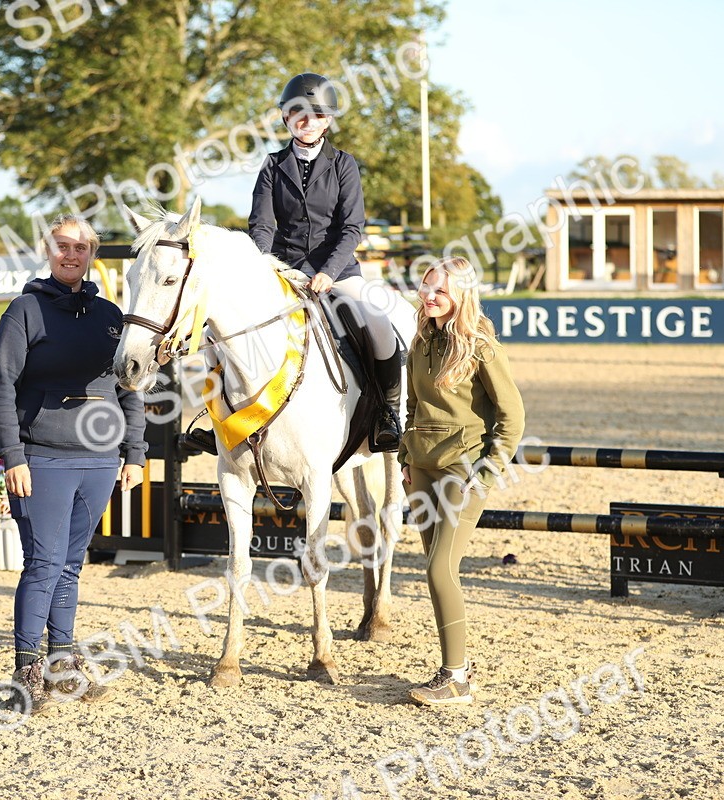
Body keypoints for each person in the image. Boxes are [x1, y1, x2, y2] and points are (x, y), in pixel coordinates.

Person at [0, 214, 147, 712]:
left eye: (80, 247)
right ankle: (26, 673)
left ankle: (62, 664)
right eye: (61, 246)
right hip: (42, 459)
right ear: (47, 250)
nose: (70, 254)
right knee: (43, 565)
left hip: (99, 462)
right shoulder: (23, 311)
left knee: (71, 567)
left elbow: (131, 387)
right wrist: (12, 456)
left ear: (92, 253)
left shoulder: (112, 316)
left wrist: (135, 453)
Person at [248, 71, 403, 451]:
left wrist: (327, 272)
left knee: (379, 326)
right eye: (298, 113)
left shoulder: (344, 165)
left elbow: (352, 228)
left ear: (328, 120)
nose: (307, 121)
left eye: (316, 115)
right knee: (234, 324)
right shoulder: (271, 166)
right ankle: (218, 411)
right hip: (284, 272)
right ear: (285, 117)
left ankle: (388, 411)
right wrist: (262, 266)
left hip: (336, 271)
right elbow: (262, 224)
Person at [398, 257, 525, 706]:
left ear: (462, 296)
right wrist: (404, 460)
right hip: (421, 470)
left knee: (439, 569)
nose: (429, 295)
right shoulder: (419, 342)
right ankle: (454, 667)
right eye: (426, 286)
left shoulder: (481, 347)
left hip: (461, 470)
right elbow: (412, 408)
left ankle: (456, 679)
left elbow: (513, 418)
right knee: (437, 571)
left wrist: (487, 472)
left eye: (441, 291)